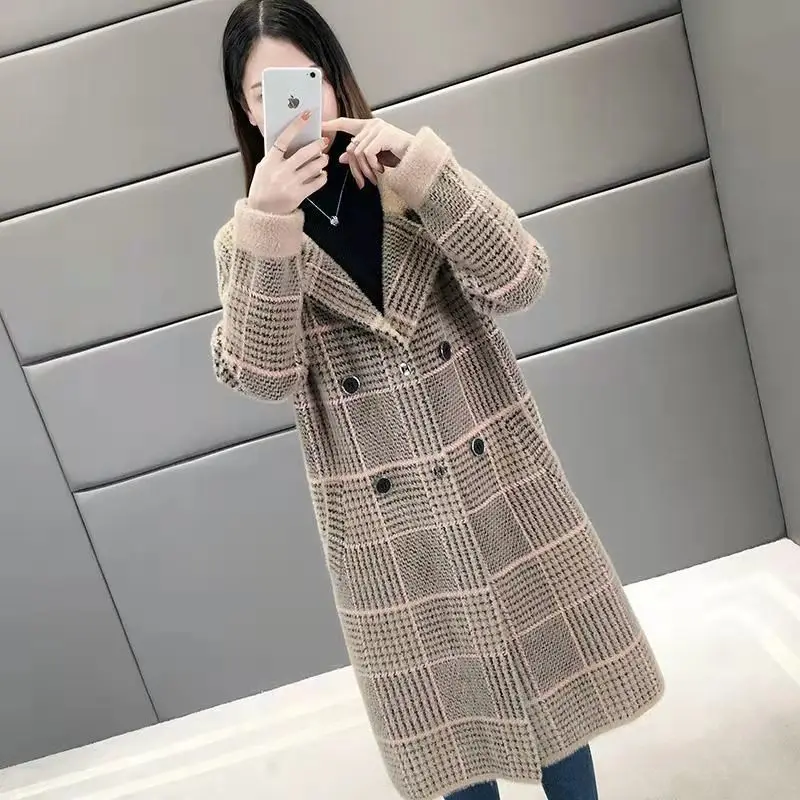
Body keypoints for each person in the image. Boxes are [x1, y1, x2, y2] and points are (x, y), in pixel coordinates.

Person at [213, 2, 665, 798]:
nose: (289, 106)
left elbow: (520, 279)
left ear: (332, 77)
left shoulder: (406, 178)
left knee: (556, 692)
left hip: (498, 485)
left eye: (303, 79)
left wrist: (425, 174)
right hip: (390, 536)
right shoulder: (248, 239)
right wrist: (268, 224)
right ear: (247, 111)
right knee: (448, 730)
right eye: (264, 93)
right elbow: (263, 374)